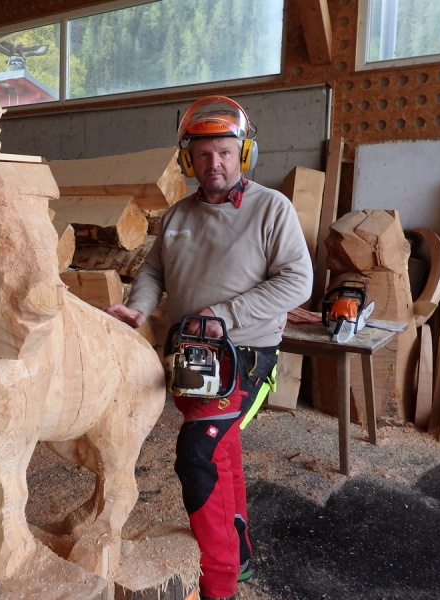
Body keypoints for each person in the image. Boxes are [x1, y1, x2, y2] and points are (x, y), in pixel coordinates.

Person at [104, 95, 313, 600]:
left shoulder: (271, 208)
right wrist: (139, 307)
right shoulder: (178, 214)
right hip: (190, 353)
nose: (213, 163)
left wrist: (225, 314)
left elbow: (298, 281)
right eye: (202, 154)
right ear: (188, 160)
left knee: (198, 455)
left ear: (243, 155)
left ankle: (219, 586)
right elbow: (154, 271)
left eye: (224, 152)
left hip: (245, 356)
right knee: (222, 450)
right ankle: (239, 556)